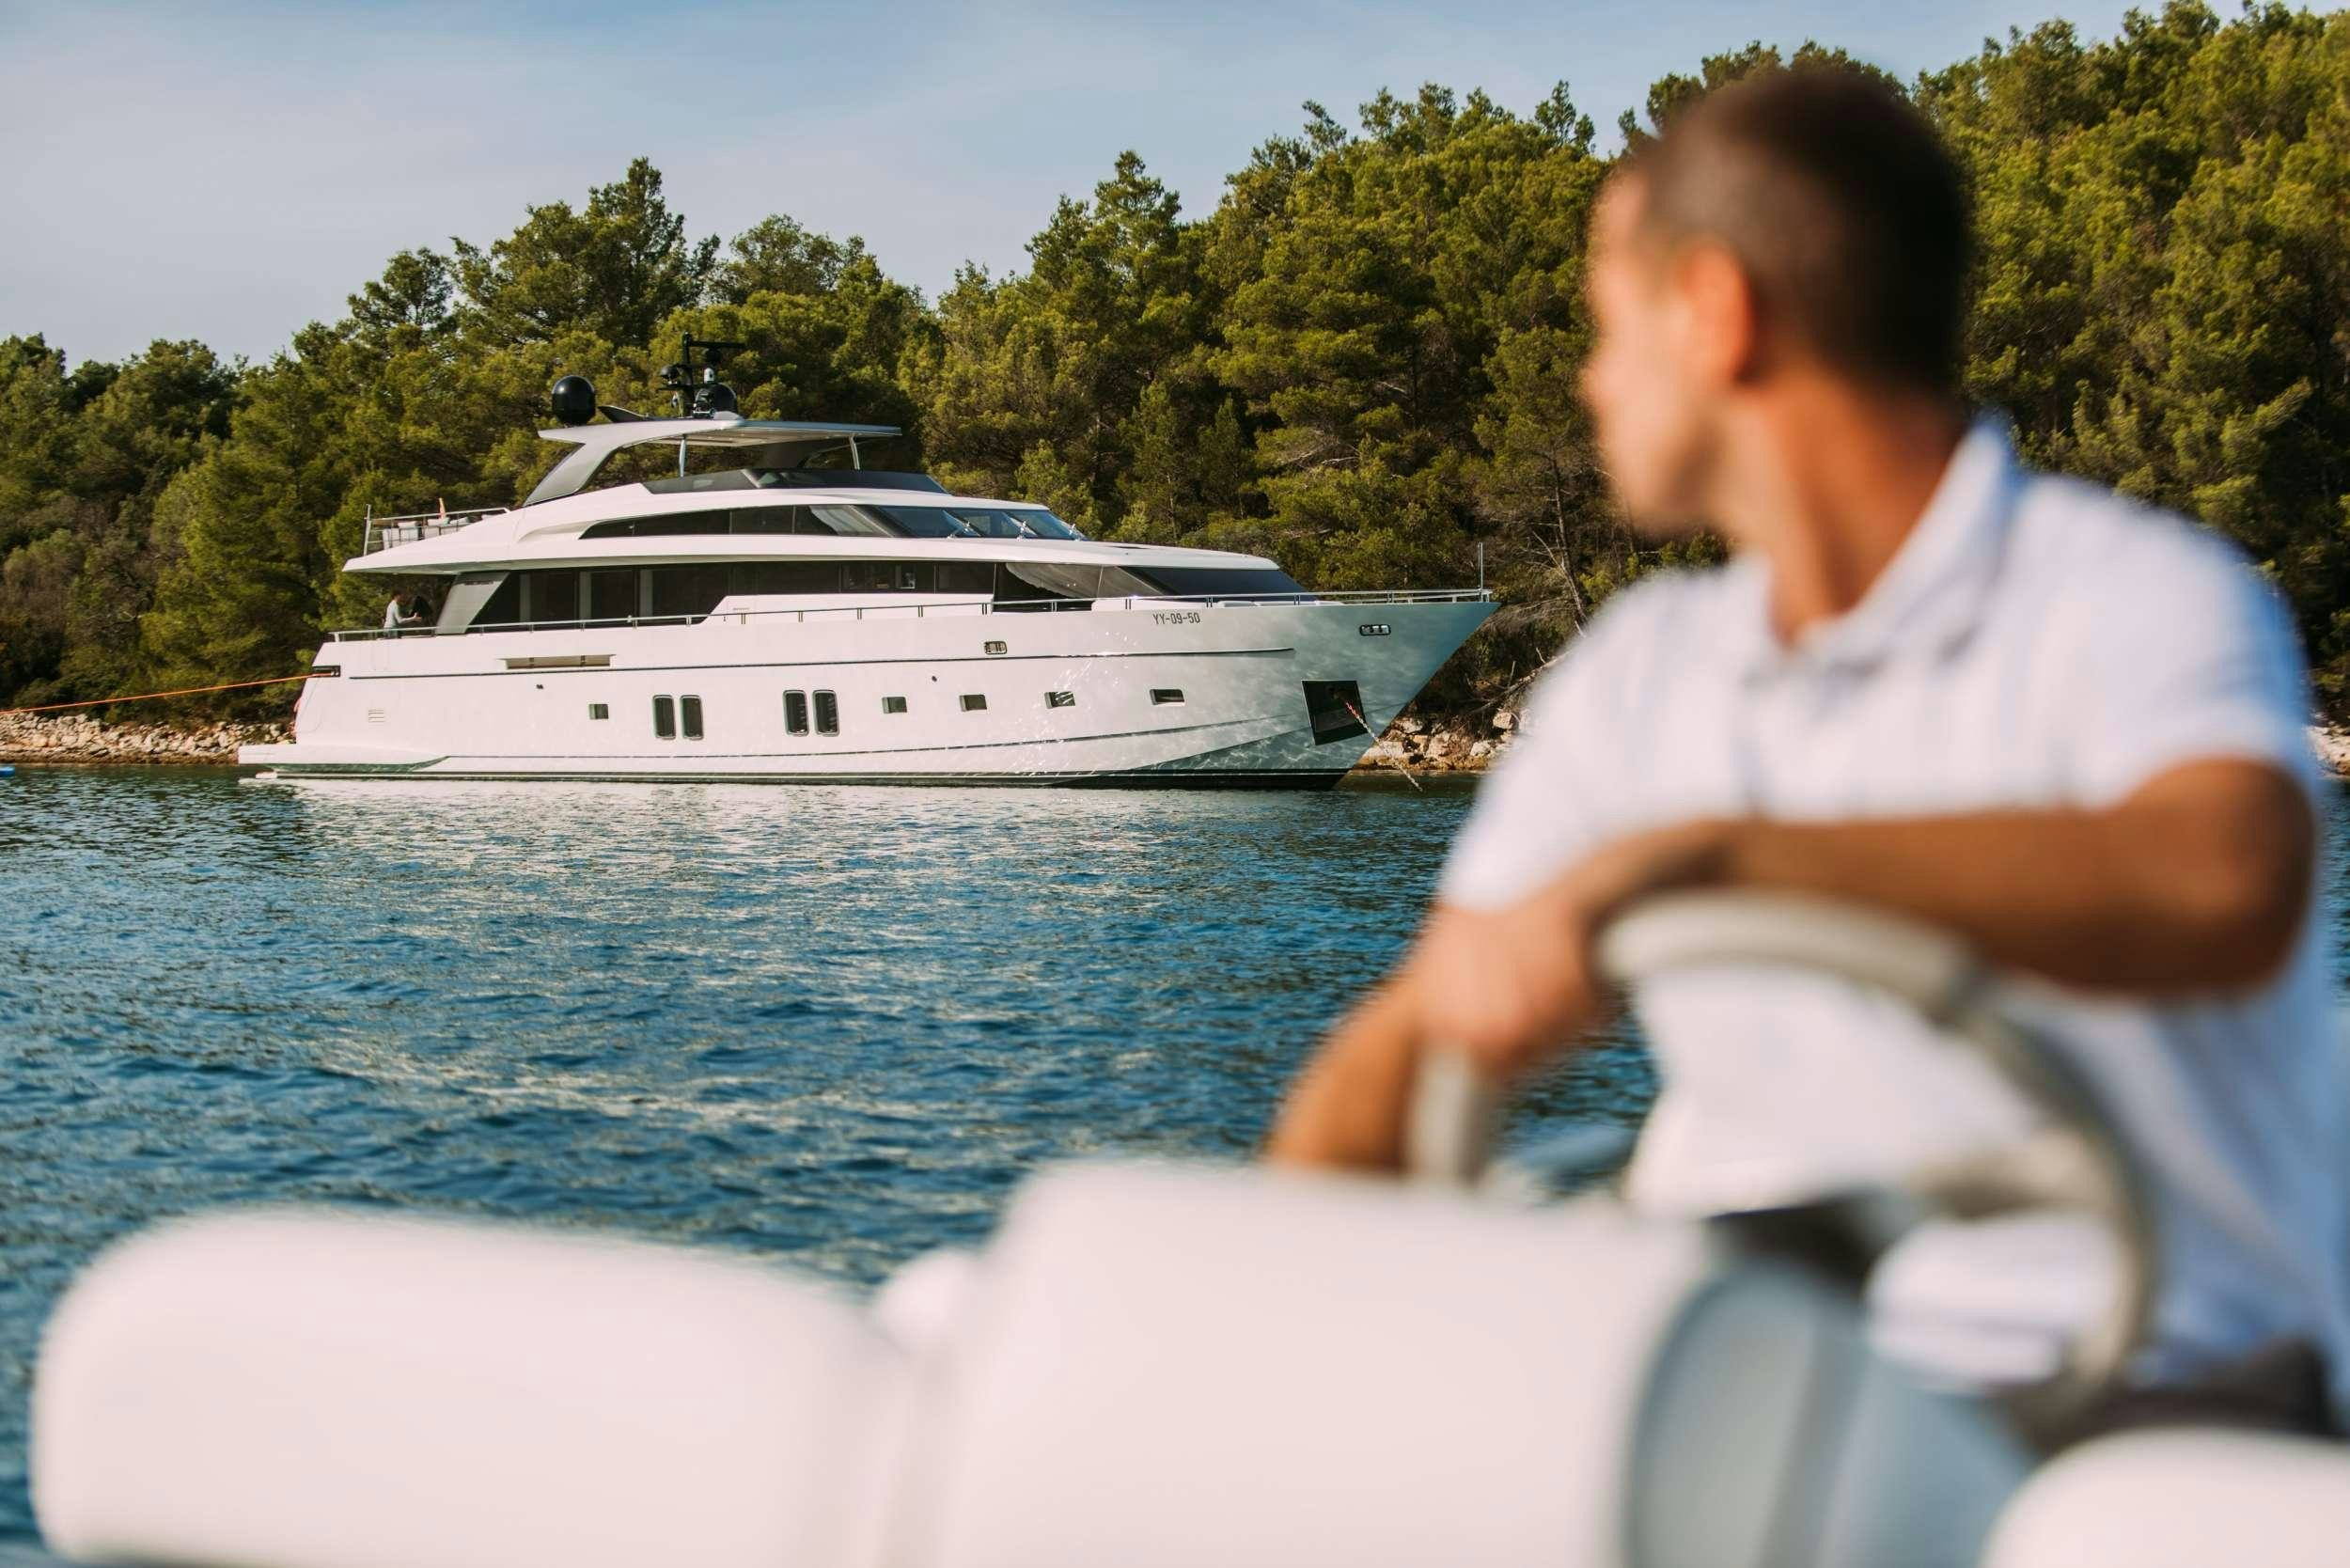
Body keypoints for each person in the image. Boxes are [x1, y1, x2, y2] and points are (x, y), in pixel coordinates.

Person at [1267, 66, 2350, 1437]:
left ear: (1715, 312)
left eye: (1607, 325)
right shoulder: (1639, 674)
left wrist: (1702, 861)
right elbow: (1413, 1052)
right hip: (1769, 1414)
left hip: (2162, 1412)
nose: (1591, 379)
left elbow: (2225, 885)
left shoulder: (2135, 598)